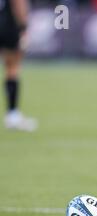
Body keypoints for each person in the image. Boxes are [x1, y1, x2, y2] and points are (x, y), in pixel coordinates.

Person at [0, 0, 37, 131]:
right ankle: (12, 115)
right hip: (7, 24)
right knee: (12, 67)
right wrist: (23, 29)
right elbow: (19, 3)